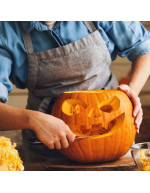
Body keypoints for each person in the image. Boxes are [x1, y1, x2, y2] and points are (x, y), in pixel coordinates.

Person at [0, 21, 150, 163]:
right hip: (48, 148)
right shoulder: (6, 31)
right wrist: (32, 119)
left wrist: (131, 92)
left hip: (114, 136)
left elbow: (145, 48)